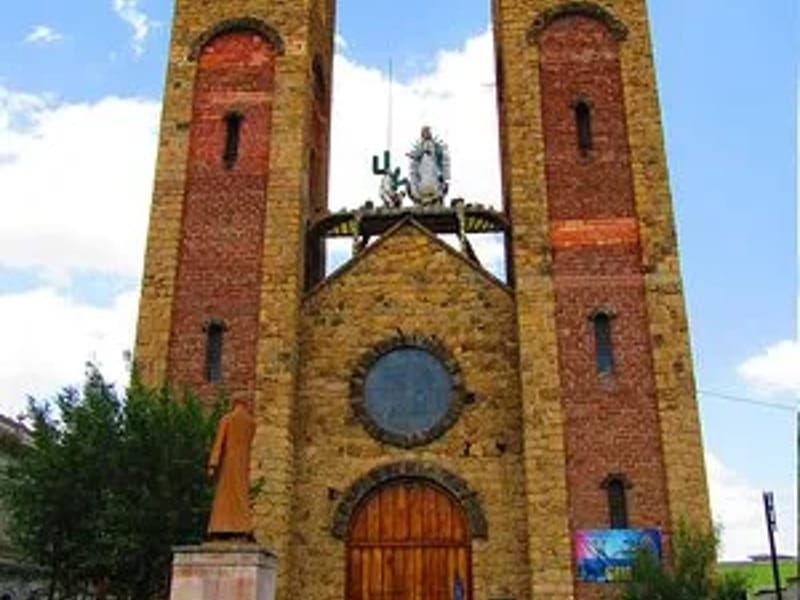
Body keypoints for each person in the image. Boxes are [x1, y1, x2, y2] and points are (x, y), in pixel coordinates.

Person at [207, 397, 256, 539]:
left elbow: (219, 443)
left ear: (233, 404)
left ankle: (221, 527)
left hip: (228, 461)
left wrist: (213, 464)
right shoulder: (251, 423)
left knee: (224, 497)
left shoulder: (227, 419)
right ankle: (243, 526)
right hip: (243, 463)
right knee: (241, 494)